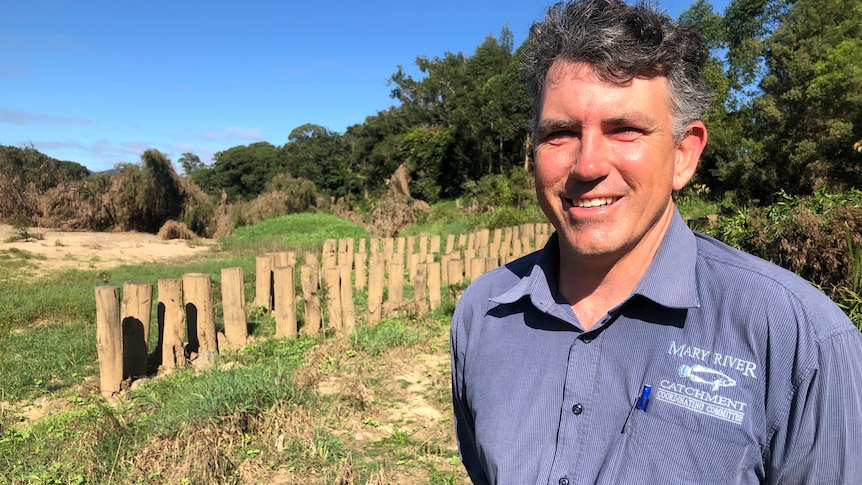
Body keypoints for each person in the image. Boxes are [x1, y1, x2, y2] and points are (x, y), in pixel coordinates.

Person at [449, 0, 862, 483]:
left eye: (624, 130)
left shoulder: (799, 342)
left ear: (683, 155)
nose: (587, 166)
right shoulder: (482, 314)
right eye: (559, 133)